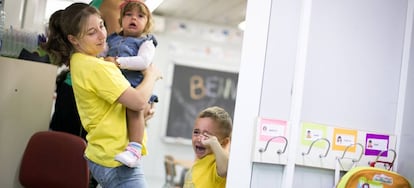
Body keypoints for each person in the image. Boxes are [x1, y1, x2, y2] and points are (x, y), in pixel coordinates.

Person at [44, 3, 162, 187]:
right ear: (73, 39)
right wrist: (152, 75)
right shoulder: (97, 67)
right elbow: (138, 102)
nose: (102, 35)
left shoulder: (81, 61)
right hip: (115, 159)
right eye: (92, 32)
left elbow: (121, 105)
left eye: (102, 25)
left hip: (105, 153)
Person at [103, 0, 158, 168]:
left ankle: (134, 149)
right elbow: (102, 54)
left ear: (147, 23)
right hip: (116, 86)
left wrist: (118, 62)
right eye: (128, 15)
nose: (134, 18)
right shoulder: (112, 38)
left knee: (133, 110)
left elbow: (143, 62)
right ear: (121, 19)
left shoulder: (146, 43)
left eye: (140, 16)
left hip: (134, 86)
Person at [183, 106, 233, 188]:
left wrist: (214, 144)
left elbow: (225, 170)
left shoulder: (216, 163)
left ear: (224, 142)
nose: (199, 139)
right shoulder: (201, 160)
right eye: (196, 132)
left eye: (207, 136)